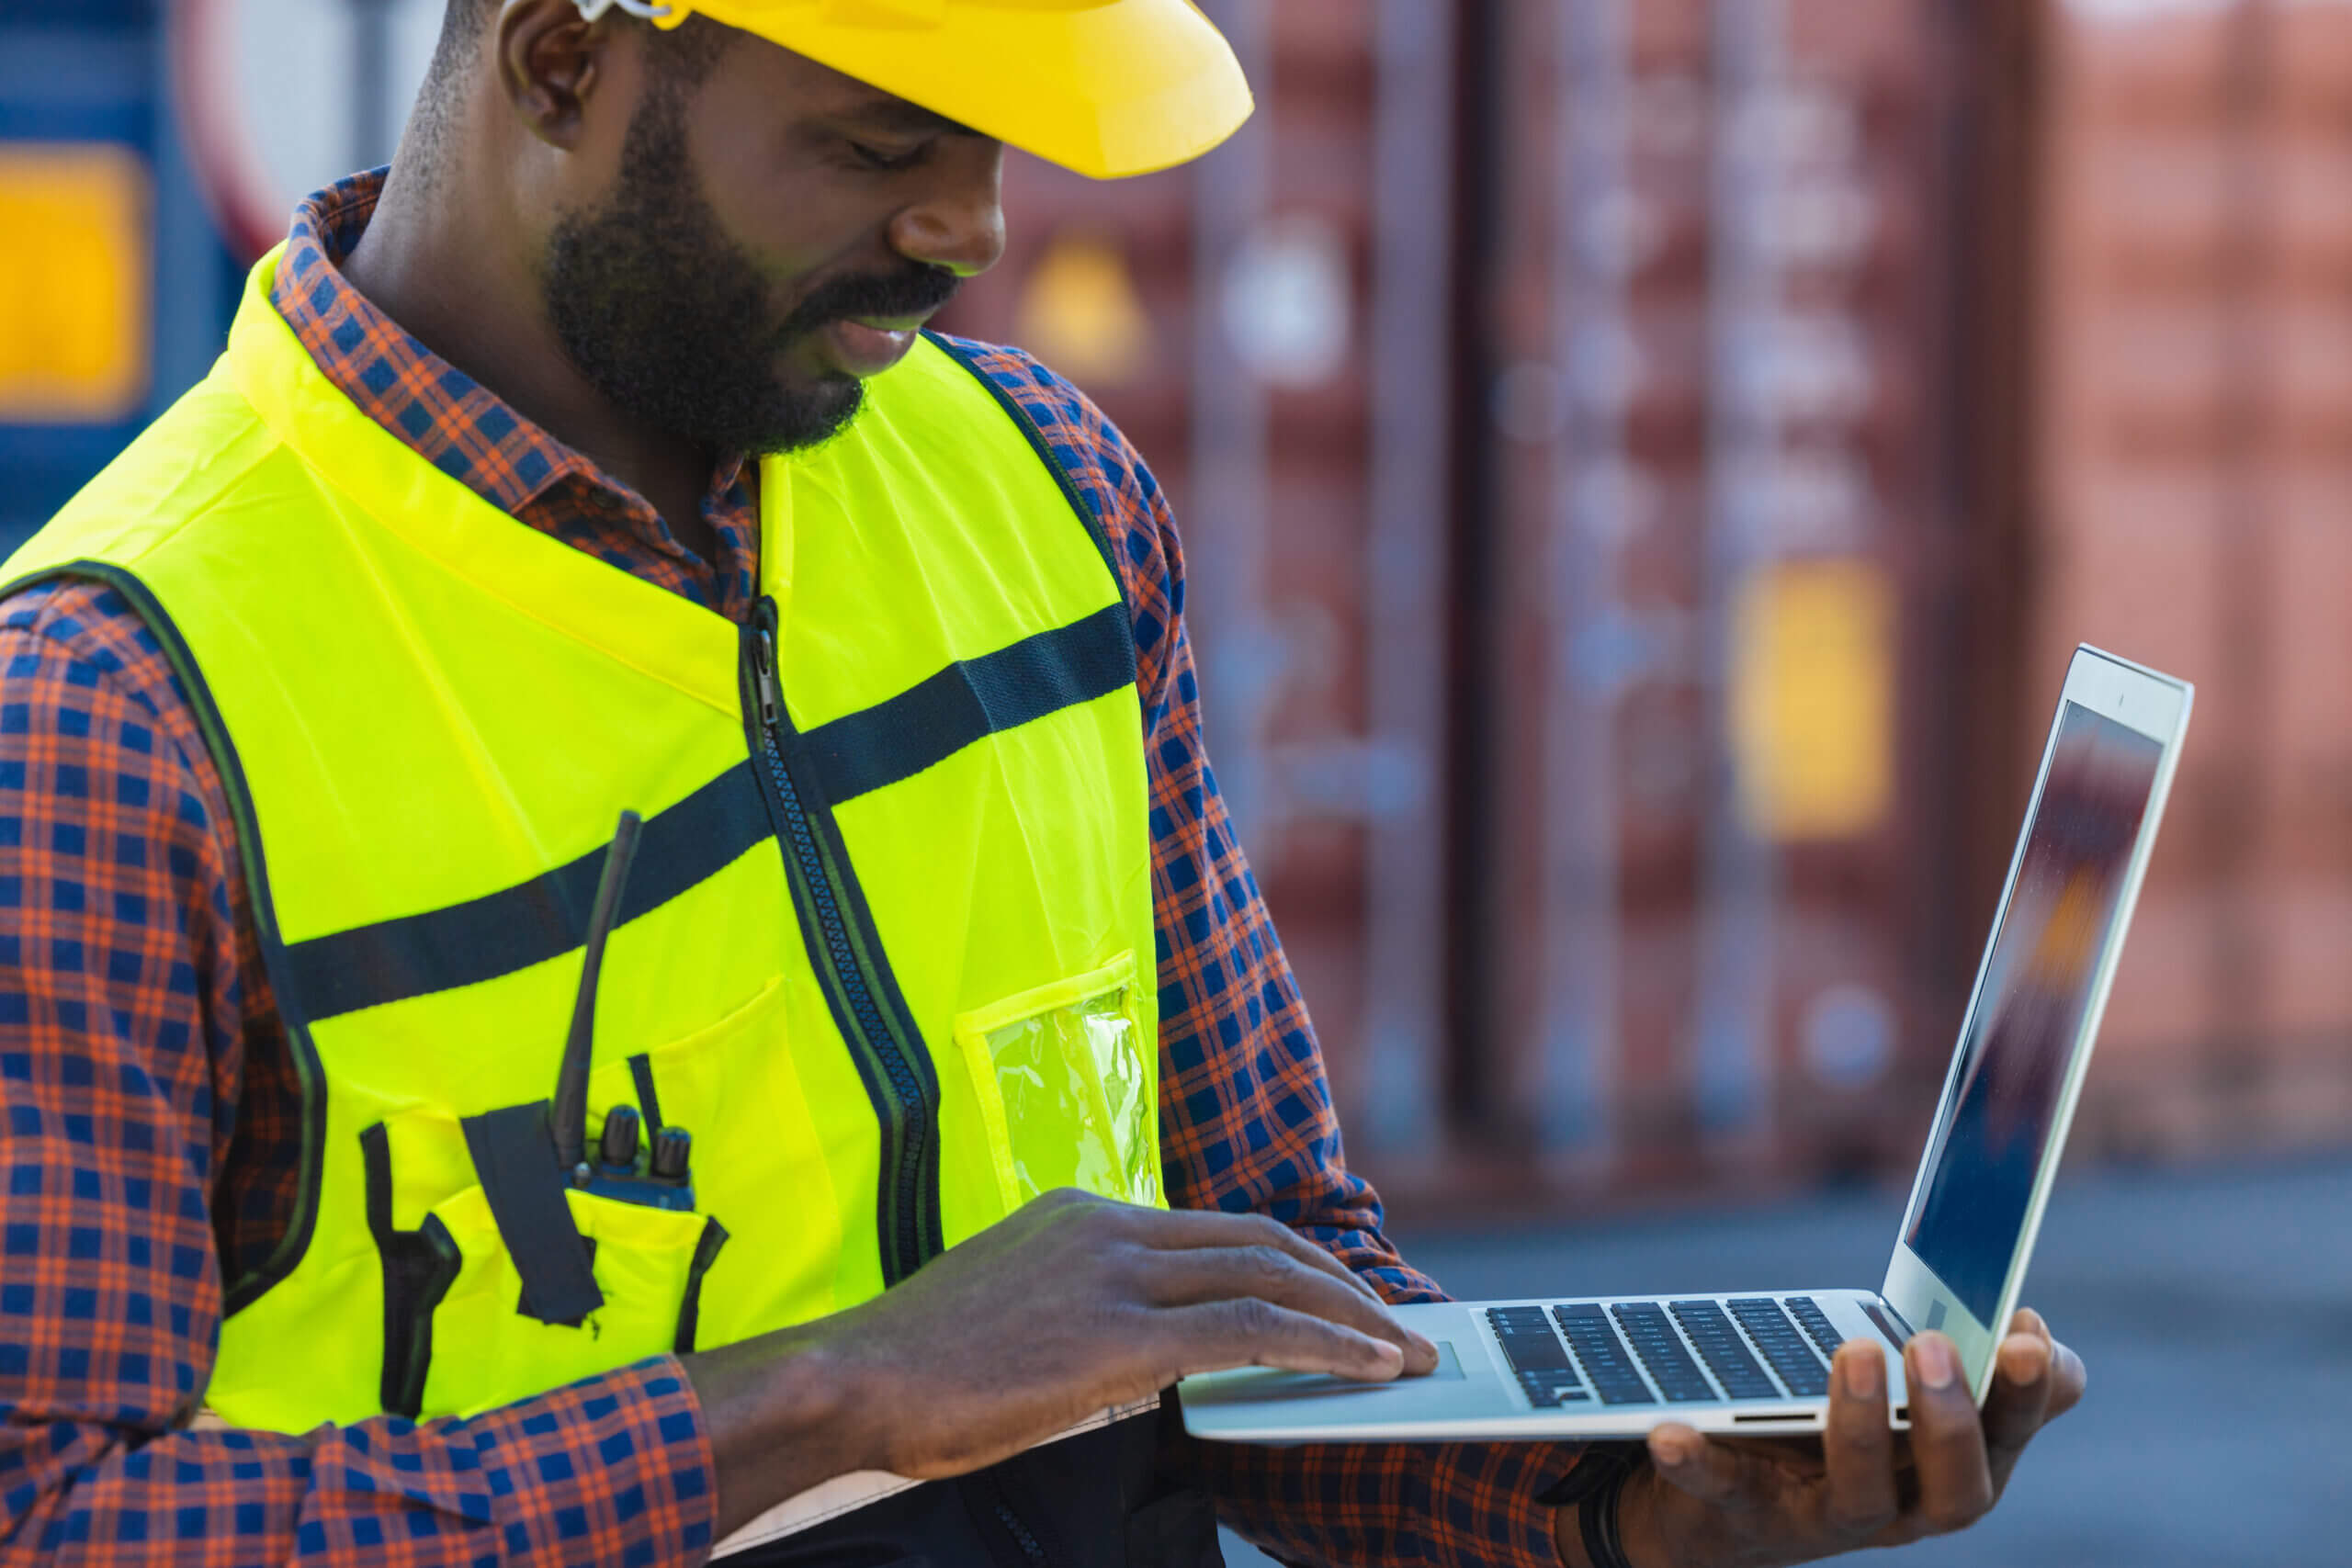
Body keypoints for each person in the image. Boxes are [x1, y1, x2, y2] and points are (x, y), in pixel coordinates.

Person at [0, 3, 2084, 1564]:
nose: (968, 228)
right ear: (560, 62)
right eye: (881, 139)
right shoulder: (111, 711)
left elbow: (1255, 1280)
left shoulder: (1050, 501)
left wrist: (1624, 1503)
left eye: (994, 145)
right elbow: (58, 1513)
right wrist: (836, 1397)